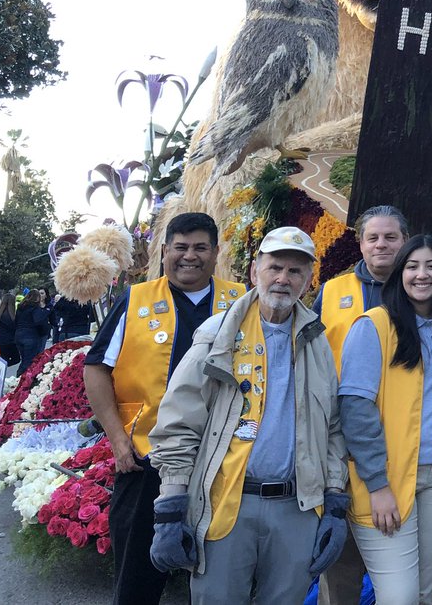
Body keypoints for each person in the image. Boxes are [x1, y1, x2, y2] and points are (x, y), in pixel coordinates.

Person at [147, 227, 349, 603]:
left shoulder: (317, 342)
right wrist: (171, 506)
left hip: (297, 507)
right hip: (227, 502)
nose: (283, 279)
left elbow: (333, 427)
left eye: (295, 271)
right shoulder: (217, 333)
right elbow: (179, 420)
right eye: (275, 267)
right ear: (256, 271)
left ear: (308, 280)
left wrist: (335, 501)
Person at [83, 212, 245, 605]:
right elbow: (96, 368)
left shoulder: (241, 300)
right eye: (181, 247)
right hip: (145, 459)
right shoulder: (136, 299)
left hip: (223, 462)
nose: (190, 256)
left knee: (217, 578)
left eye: (200, 247)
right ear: (165, 250)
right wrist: (118, 440)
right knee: (138, 577)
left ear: (215, 252)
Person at [339, 235, 432, 605]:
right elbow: (355, 408)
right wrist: (378, 485)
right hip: (387, 479)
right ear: (399, 274)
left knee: (422, 588)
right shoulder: (375, 326)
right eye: (412, 266)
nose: (422, 274)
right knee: (399, 596)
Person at [315, 204, 410, 605]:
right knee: (341, 560)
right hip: (339, 440)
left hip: (408, 439)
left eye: (391, 237)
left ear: (404, 240)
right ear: (360, 243)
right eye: (373, 237)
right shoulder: (333, 291)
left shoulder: (423, 284)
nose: (382, 244)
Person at [14, 288, 50, 375]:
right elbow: (38, 321)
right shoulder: (35, 308)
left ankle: (19, 377)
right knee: (29, 361)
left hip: (19, 335)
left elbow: (16, 321)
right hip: (31, 336)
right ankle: (21, 378)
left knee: (24, 359)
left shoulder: (20, 307)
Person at [0, 292, 18, 366]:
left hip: (1, 339)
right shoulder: (13, 316)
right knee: (16, 359)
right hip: (11, 341)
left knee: (4, 359)